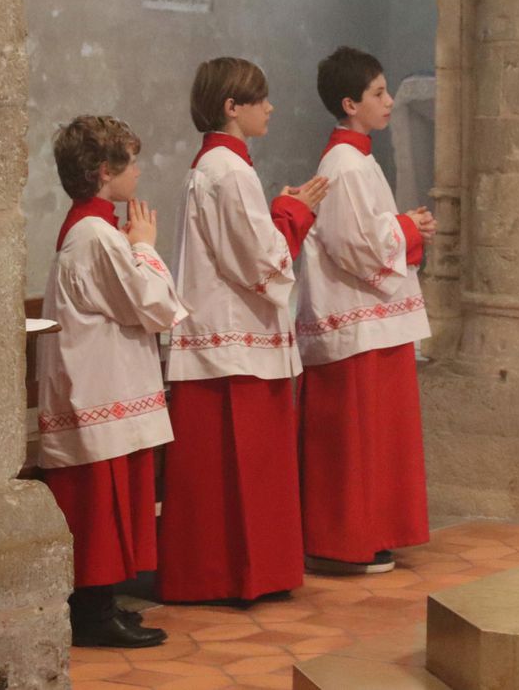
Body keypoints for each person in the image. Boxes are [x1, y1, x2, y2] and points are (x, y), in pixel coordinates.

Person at [158, 57, 328, 603]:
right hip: (235, 344)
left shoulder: (210, 167)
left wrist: (281, 208)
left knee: (221, 476)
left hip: (227, 339)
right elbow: (259, 262)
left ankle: (223, 573)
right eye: (261, 99)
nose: (270, 107)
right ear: (233, 107)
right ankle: (237, 575)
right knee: (241, 472)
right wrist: (293, 211)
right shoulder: (229, 172)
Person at [37, 115, 188, 647]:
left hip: (102, 382)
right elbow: (155, 306)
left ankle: (103, 606)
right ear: (105, 171)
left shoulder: (91, 227)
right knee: (99, 505)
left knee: (110, 500)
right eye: (132, 162)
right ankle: (94, 613)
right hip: (99, 386)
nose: (140, 172)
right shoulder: (98, 235)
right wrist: (145, 245)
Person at [295, 47, 436, 574]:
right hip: (353, 326)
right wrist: (406, 230)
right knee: (351, 443)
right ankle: (343, 541)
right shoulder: (343, 164)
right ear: (350, 103)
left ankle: (372, 533)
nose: (390, 101)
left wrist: (404, 225)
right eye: (379, 93)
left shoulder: (359, 158)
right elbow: (353, 245)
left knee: (377, 442)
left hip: (373, 325)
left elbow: (366, 231)